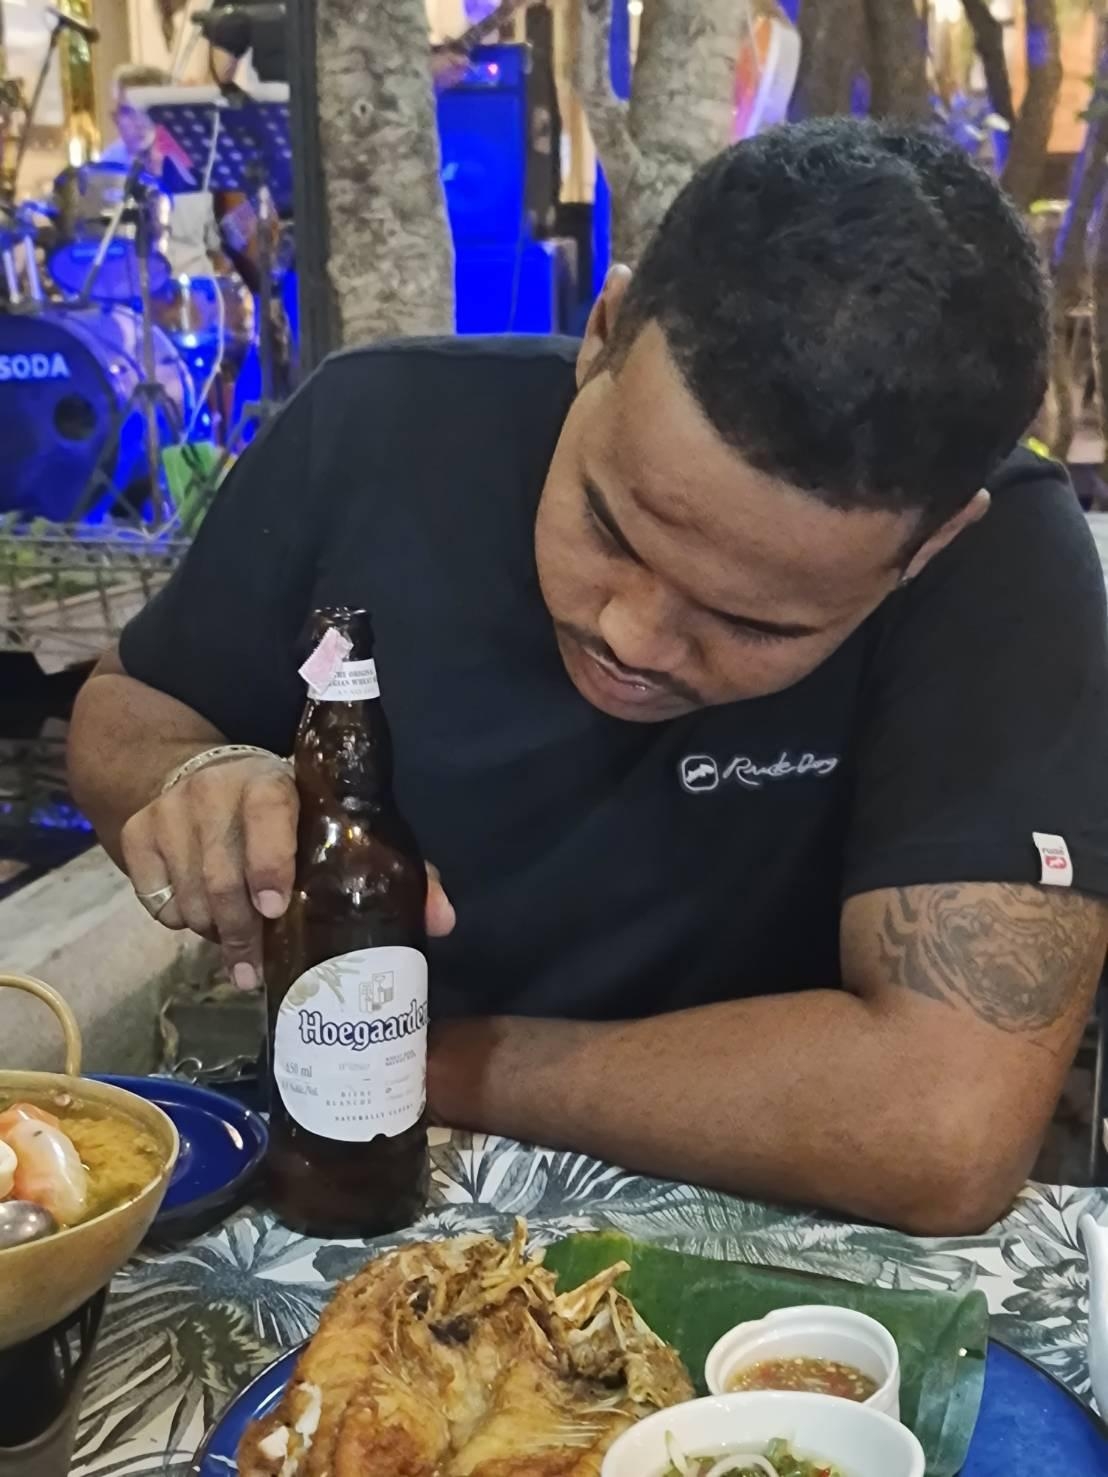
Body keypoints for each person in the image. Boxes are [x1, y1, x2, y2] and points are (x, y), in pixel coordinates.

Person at [68, 119, 1108, 1236]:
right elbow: (132, 707)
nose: (634, 636)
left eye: (751, 620)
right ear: (604, 334)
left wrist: (414, 1060)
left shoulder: (1001, 569)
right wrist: (197, 782)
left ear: (929, 545)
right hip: (368, 1189)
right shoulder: (378, 429)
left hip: (759, 1242)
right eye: (610, 526)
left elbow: (940, 1127)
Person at [99, 63, 216, 279]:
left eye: (148, 110)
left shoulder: (196, 164)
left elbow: (223, 242)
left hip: (194, 287)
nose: (139, 122)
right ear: (115, 118)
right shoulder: (105, 171)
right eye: (129, 112)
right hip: (129, 289)